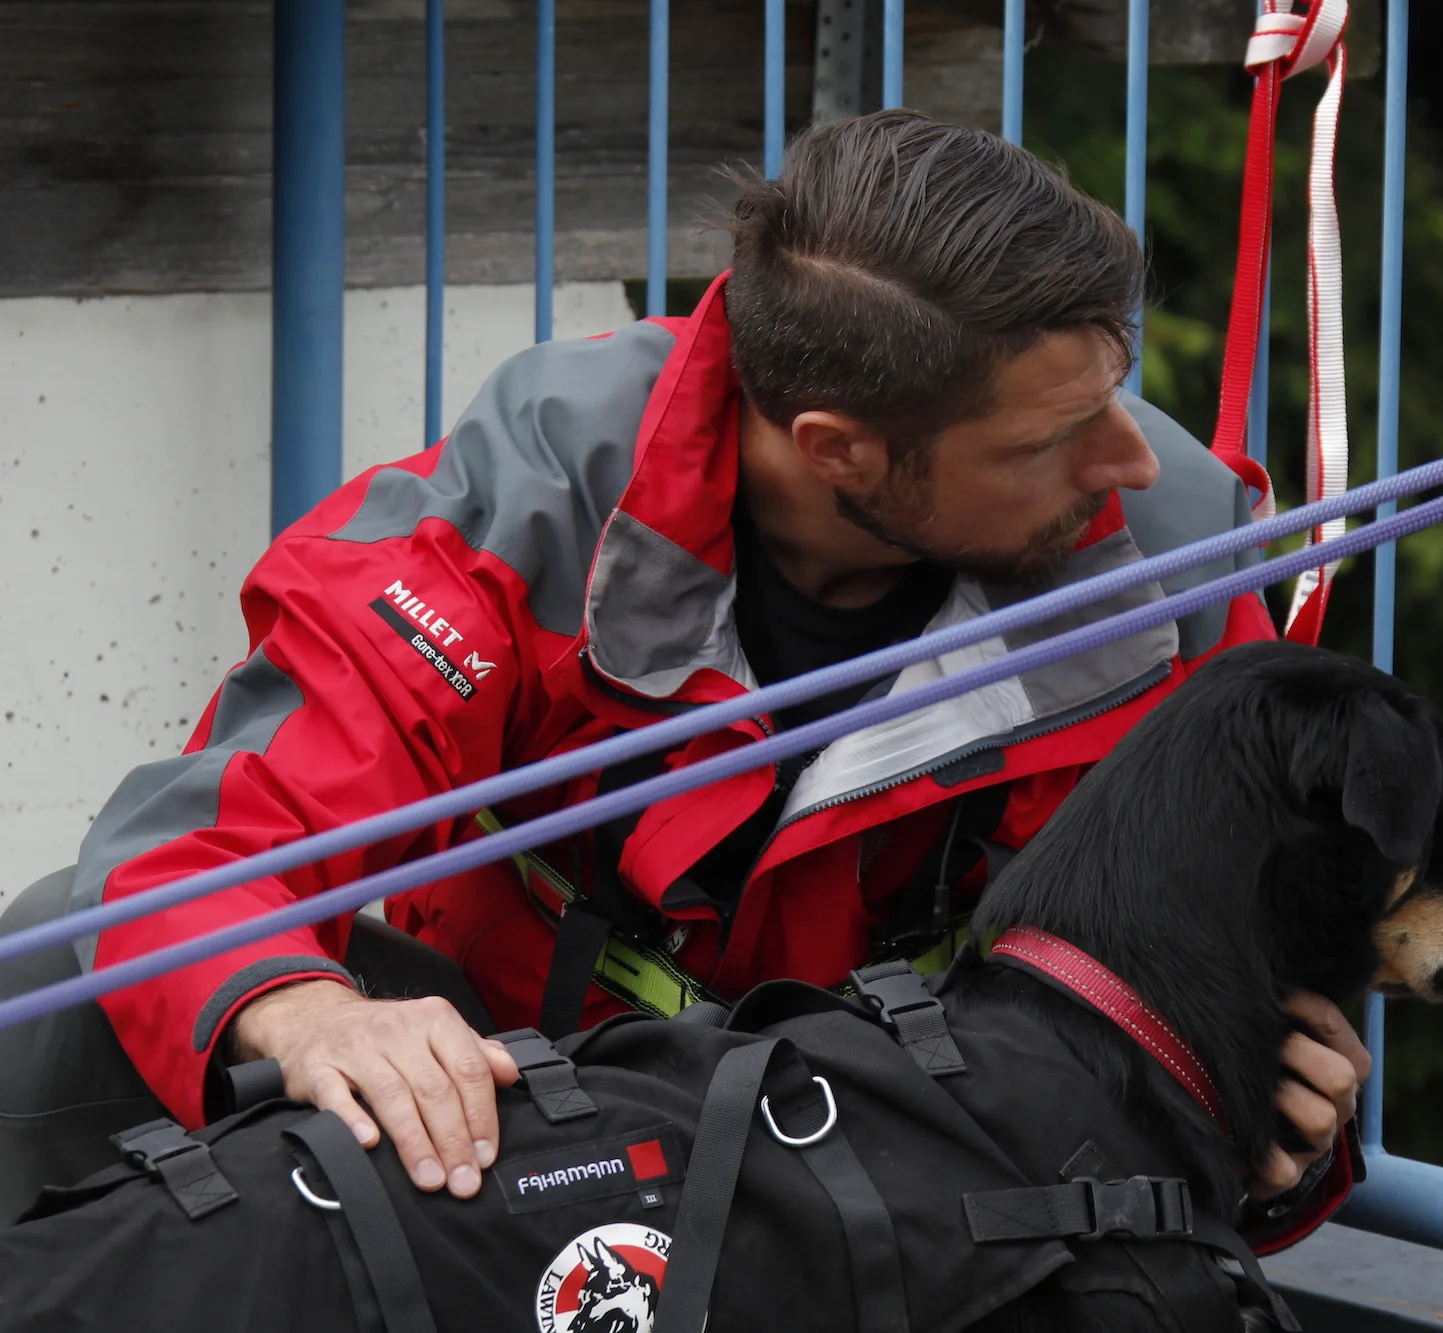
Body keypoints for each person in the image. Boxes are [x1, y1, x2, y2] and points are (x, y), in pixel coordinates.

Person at [0, 110, 1368, 1243]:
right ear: (834, 448)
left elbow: (1239, 990)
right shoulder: (532, 500)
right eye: (1046, 442)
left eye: (1114, 391)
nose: (1132, 462)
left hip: (896, 1152)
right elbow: (203, 847)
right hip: (510, 1102)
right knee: (63, 958)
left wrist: (1270, 1132)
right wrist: (303, 1014)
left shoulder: (1166, 573)